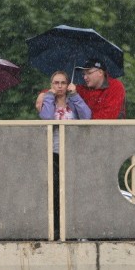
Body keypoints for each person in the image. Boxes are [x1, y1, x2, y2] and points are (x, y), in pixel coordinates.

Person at [38, 71, 91, 240]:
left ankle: (71, 228)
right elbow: (46, 118)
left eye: (62, 83)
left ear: (68, 85)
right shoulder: (47, 100)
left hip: (71, 152)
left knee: (71, 190)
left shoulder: (73, 101)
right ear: (51, 85)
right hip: (52, 152)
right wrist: (48, 97)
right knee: (54, 192)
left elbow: (87, 116)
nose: (59, 86)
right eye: (55, 83)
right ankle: (55, 228)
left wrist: (75, 95)